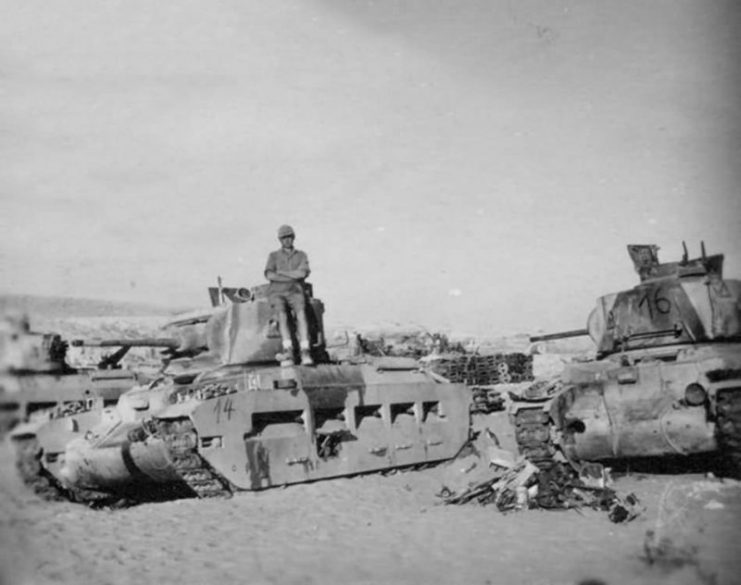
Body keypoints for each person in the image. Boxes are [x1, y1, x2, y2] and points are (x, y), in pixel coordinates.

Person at [264, 224, 313, 366]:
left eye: (289, 237)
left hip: (296, 291)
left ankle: (305, 350)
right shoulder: (273, 256)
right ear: (280, 240)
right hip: (277, 292)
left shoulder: (301, 255)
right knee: (282, 315)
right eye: (283, 238)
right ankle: (288, 350)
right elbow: (269, 274)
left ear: (293, 237)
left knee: (301, 313)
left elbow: (303, 273)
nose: (287, 240)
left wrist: (281, 273)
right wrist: (293, 276)